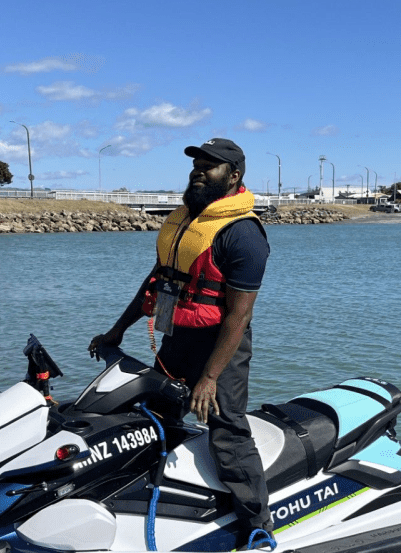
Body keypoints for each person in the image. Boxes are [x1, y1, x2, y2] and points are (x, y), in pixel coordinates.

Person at [89, 138, 274, 550]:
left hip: (220, 348)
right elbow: (157, 281)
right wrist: (117, 330)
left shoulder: (243, 235)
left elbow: (238, 315)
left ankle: (258, 524)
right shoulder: (184, 222)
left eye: (211, 166)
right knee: (156, 410)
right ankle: (160, 493)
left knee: (226, 431)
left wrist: (209, 377)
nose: (199, 171)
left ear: (234, 176)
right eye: (198, 164)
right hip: (177, 336)